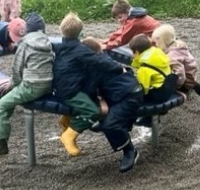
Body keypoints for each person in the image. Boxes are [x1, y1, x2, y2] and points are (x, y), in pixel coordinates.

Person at [54, 12, 142, 172]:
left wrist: (120, 69)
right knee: (104, 117)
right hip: (120, 94)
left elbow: (90, 88)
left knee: (109, 123)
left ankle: (130, 151)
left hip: (129, 95)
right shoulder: (90, 61)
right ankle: (124, 126)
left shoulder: (95, 66)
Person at [0, 19, 53, 157]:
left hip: (32, 86)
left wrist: (10, 86)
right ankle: (1, 136)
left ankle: (0, 144)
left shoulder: (24, 45)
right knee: (11, 97)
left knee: (0, 106)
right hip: (48, 84)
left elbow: (16, 72)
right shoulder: (47, 41)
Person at [152, 24, 200, 113]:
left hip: (184, 81)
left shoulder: (172, 56)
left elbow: (180, 75)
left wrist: (173, 86)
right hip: (191, 73)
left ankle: (161, 110)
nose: (155, 45)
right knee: (191, 82)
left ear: (162, 41)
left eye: (155, 43)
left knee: (161, 87)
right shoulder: (178, 45)